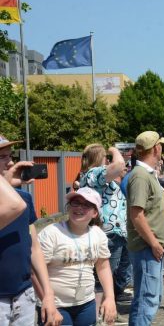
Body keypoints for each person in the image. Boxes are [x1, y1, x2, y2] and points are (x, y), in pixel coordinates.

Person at [0, 135, 61, 326]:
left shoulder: (24, 198)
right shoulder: (17, 202)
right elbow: (13, 206)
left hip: (23, 295)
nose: (10, 163)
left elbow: (33, 248)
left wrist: (48, 295)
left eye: (10, 156)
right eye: (2, 157)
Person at [37, 187, 117, 325]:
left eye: (86, 205)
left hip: (86, 303)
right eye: (75, 202)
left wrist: (110, 297)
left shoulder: (98, 234)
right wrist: (47, 300)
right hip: (56, 305)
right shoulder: (52, 233)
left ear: (95, 212)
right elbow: (36, 271)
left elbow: (103, 266)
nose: (79, 208)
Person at [126, 131, 164, 325]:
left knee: (146, 299)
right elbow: (136, 215)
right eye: (160, 145)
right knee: (147, 300)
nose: (161, 148)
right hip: (147, 248)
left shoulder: (145, 174)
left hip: (150, 248)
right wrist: (154, 243)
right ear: (156, 148)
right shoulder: (140, 176)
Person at [79, 144, 133, 304]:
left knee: (120, 269)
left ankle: (114, 298)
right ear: (99, 158)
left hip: (117, 232)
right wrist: (114, 150)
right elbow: (119, 165)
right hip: (107, 233)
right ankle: (103, 306)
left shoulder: (97, 175)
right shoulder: (93, 174)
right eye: (105, 157)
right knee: (106, 273)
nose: (108, 160)